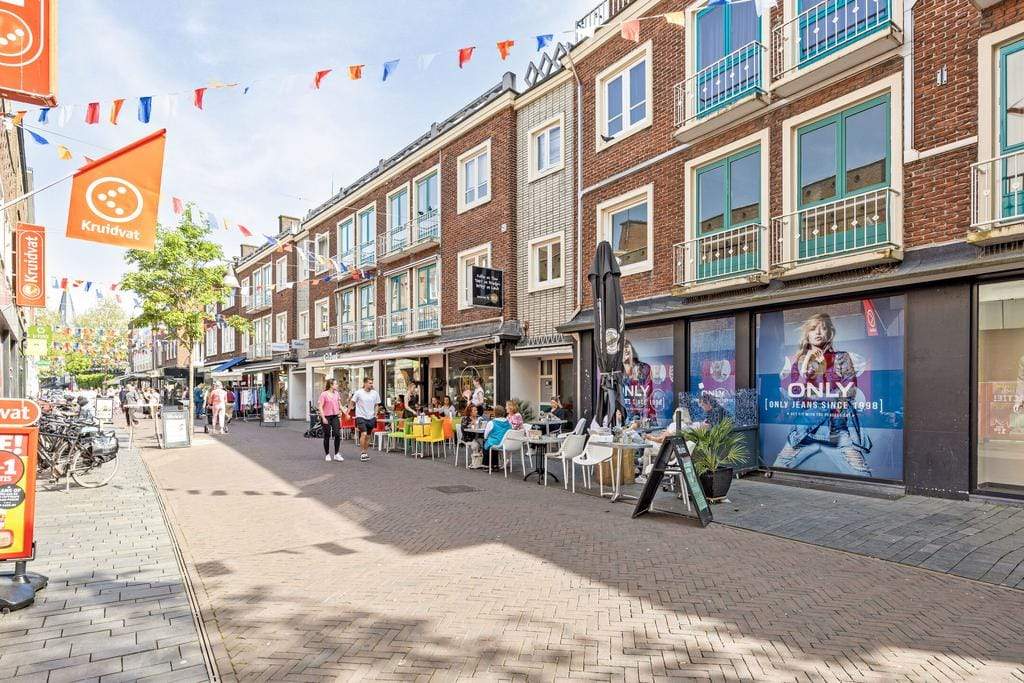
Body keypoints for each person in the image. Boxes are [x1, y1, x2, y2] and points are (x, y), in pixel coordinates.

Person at [775, 312, 871, 476]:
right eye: (813, 328)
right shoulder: (800, 362)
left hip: (837, 430)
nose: (818, 332)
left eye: (823, 328)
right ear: (807, 334)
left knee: (863, 476)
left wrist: (818, 387)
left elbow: (849, 391)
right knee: (776, 470)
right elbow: (796, 394)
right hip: (804, 430)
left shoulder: (842, 358)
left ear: (829, 332)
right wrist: (809, 367)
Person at [351, 376, 380, 463]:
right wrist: (348, 411)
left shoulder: (375, 393)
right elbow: (352, 402)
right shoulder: (358, 393)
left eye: (372, 383)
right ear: (365, 383)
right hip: (360, 416)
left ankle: (365, 452)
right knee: (363, 433)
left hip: (371, 417)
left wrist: (375, 415)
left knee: (368, 436)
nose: (371, 385)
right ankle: (362, 453)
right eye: (370, 383)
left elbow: (377, 405)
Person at [318, 378, 343, 462]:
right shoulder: (324, 394)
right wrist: (323, 417)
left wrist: (345, 413)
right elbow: (320, 407)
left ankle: (336, 454)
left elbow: (340, 405)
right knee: (327, 435)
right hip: (326, 416)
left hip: (335, 416)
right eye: (335, 384)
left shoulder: (337, 393)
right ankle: (327, 454)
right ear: (331, 385)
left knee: (337, 434)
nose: (337, 385)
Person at [482, 405, 511, 472]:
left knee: (486, 442)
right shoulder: (508, 423)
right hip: (505, 443)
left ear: (495, 413)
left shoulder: (492, 422)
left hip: (496, 442)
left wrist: (487, 438)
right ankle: (495, 464)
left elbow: (485, 435)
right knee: (492, 443)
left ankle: (487, 465)